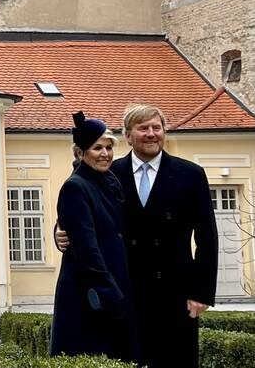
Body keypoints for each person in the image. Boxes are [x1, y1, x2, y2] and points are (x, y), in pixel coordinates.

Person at [56, 104, 218, 368]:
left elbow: (207, 238)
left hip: (175, 291)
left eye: (157, 128)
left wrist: (201, 292)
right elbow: (78, 211)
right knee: (128, 359)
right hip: (126, 289)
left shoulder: (190, 174)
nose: (152, 134)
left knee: (177, 360)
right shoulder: (108, 171)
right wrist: (60, 234)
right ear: (128, 136)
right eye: (143, 128)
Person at [50, 111, 139, 362]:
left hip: (113, 281)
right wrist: (111, 292)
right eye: (97, 148)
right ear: (81, 153)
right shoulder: (76, 186)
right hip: (90, 289)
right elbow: (86, 248)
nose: (105, 154)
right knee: (91, 353)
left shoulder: (108, 179)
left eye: (109, 147)